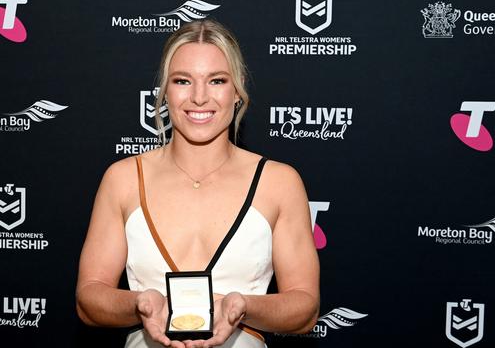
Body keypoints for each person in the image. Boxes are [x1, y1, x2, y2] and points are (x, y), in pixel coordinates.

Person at [76, 19, 319, 348]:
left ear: (237, 89)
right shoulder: (122, 179)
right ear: (164, 91)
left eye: (217, 80)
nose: (199, 97)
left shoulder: (278, 182)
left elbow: (305, 309)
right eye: (182, 81)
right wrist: (139, 304)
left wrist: (243, 307)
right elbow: (88, 299)